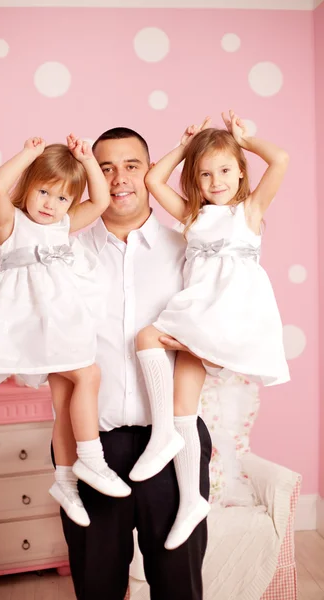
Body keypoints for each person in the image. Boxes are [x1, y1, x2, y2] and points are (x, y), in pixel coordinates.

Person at [51, 127, 211, 600]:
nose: (119, 178)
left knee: (178, 585)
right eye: (105, 168)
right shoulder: (61, 254)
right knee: (97, 586)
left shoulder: (189, 250)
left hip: (172, 445)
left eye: (132, 165)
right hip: (92, 448)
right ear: (90, 178)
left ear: (150, 171)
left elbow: (216, 336)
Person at [130, 110, 290, 550]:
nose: (216, 180)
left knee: (155, 346)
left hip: (226, 322)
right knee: (178, 399)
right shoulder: (193, 217)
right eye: (204, 174)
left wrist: (245, 139)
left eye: (224, 170)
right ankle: (190, 499)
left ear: (240, 173)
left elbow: (279, 160)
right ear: (195, 182)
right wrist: (185, 145)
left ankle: (164, 435)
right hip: (195, 321)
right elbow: (153, 181)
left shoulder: (250, 211)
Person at [0, 135, 131, 528]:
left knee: (63, 401)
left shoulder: (61, 225)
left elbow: (99, 202)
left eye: (62, 198)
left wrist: (87, 159)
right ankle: (92, 460)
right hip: (30, 327)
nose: (50, 204)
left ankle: (65, 481)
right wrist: (27, 154)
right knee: (89, 374)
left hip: (59, 325)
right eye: (43, 191)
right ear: (27, 186)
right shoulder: (12, 223)